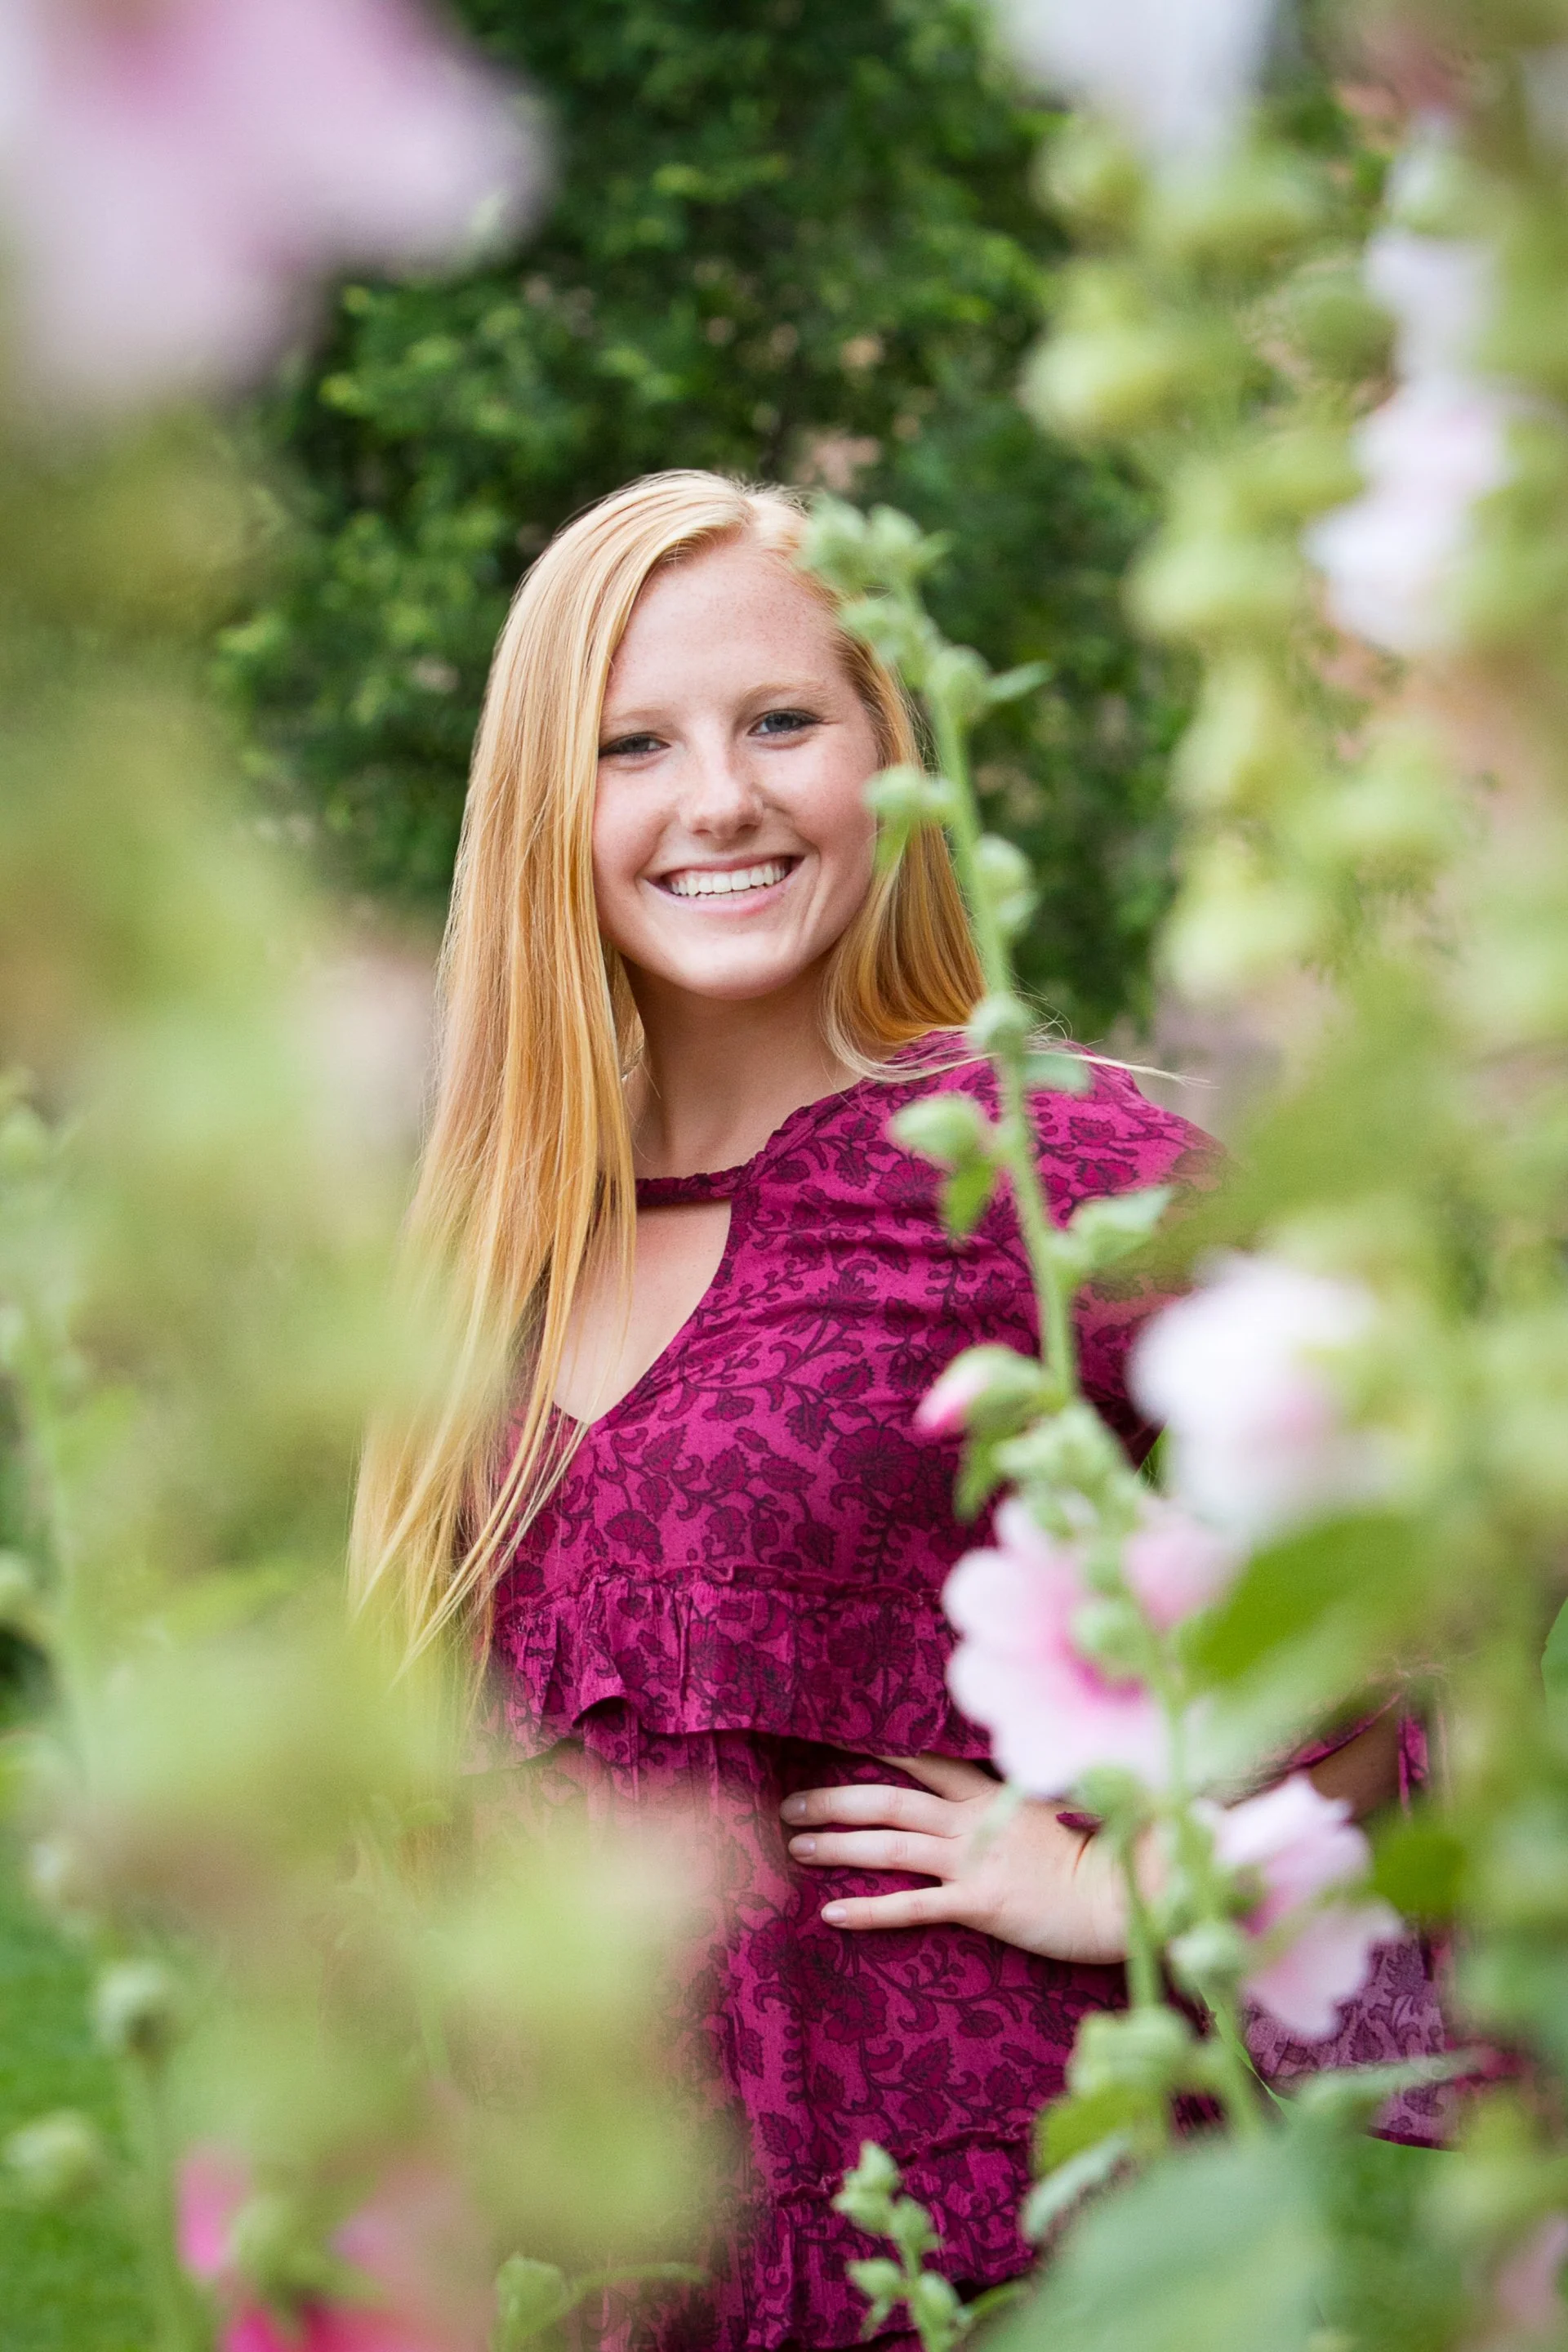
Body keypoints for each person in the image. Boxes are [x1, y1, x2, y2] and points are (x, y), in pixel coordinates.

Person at [351, 471, 1443, 2352]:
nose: (721, 797)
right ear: (548, 803)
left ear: (886, 754)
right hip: (654, 2271)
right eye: (634, 743)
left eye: (783, 721)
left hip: (1019, 2240)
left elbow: (1420, 1558)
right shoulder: (503, 1237)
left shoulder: (1038, 1163)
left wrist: (1144, 1883)